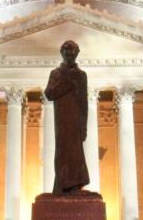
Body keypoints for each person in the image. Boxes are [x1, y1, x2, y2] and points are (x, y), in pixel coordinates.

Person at [44, 40, 90, 194]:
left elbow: (84, 102)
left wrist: (84, 126)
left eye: (73, 53)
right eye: (67, 53)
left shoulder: (81, 75)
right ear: (62, 53)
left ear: (77, 54)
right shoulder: (56, 73)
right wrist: (67, 83)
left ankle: (75, 183)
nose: (70, 56)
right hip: (62, 120)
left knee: (76, 153)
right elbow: (49, 94)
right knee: (62, 151)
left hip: (76, 120)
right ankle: (62, 184)